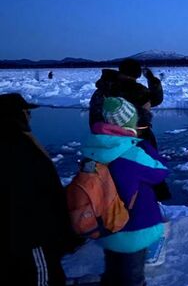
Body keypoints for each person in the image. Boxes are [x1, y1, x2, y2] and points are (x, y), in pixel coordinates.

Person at [81, 97, 169, 286]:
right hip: (133, 227)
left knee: (113, 270)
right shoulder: (133, 153)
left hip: (105, 224)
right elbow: (160, 172)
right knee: (132, 278)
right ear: (129, 124)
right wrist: (145, 146)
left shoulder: (92, 148)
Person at [5, 93, 81, 286]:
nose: (30, 116)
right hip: (30, 236)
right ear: (16, 114)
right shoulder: (17, 146)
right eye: (26, 111)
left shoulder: (17, 140)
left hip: (27, 232)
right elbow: (33, 192)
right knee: (43, 277)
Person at [89, 58, 163, 148]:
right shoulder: (138, 91)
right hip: (134, 140)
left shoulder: (102, 90)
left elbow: (95, 119)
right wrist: (152, 80)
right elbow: (155, 100)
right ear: (137, 74)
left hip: (104, 140)